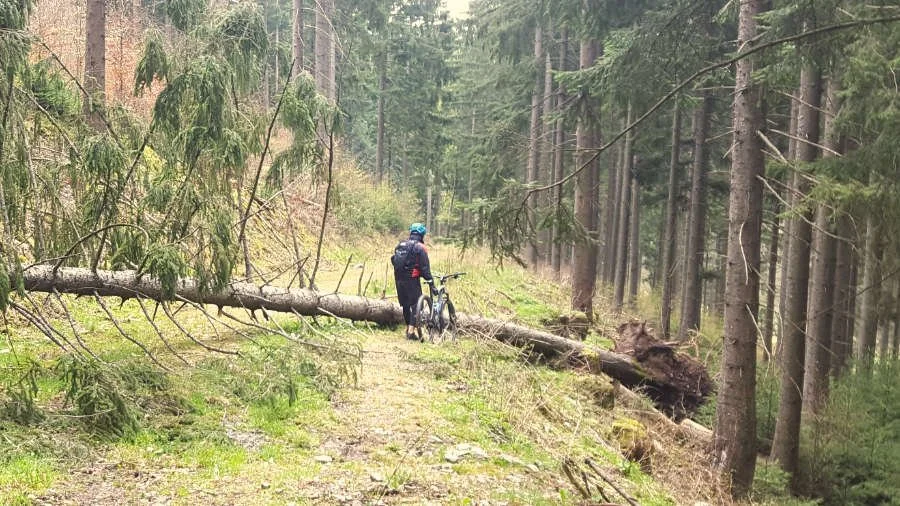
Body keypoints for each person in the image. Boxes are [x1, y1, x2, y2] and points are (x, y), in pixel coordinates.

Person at [391, 222, 434, 340]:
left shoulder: (400, 245)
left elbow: (394, 260)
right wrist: (431, 282)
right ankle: (410, 331)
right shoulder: (420, 247)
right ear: (422, 235)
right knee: (416, 305)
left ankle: (408, 328)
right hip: (412, 279)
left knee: (405, 304)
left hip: (399, 278)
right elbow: (425, 268)